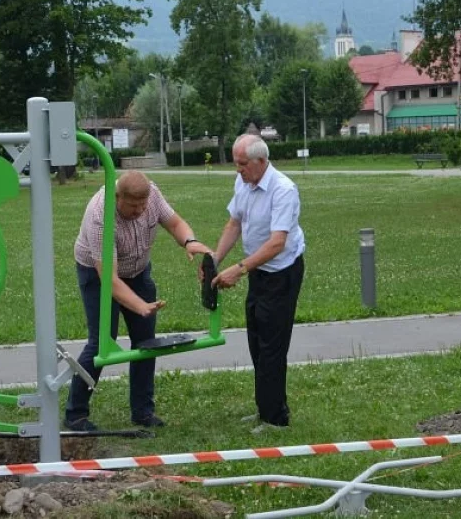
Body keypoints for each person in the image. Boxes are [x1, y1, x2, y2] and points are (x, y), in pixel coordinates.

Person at [65, 170, 212, 431]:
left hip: (137, 270)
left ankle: (143, 412)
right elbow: (109, 280)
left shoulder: (151, 194)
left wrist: (189, 241)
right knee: (102, 343)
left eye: (143, 205)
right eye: (133, 206)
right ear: (118, 197)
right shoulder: (101, 214)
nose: (140, 210)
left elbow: (176, 223)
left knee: (146, 342)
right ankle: (75, 415)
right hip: (98, 275)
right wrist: (140, 306)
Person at [211, 134, 305, 432]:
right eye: (236, 164)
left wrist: (238, 269)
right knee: (256, 338)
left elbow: (277, 243)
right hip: (258, 270)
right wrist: (214, 260)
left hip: (282, 272)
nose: (237, 170)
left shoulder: (284, 190)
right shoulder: (244, 182)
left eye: (242, 164)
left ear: (261, 161)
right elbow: (234, 223)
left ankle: (276, 418)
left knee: (272, 345)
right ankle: (264, 407)